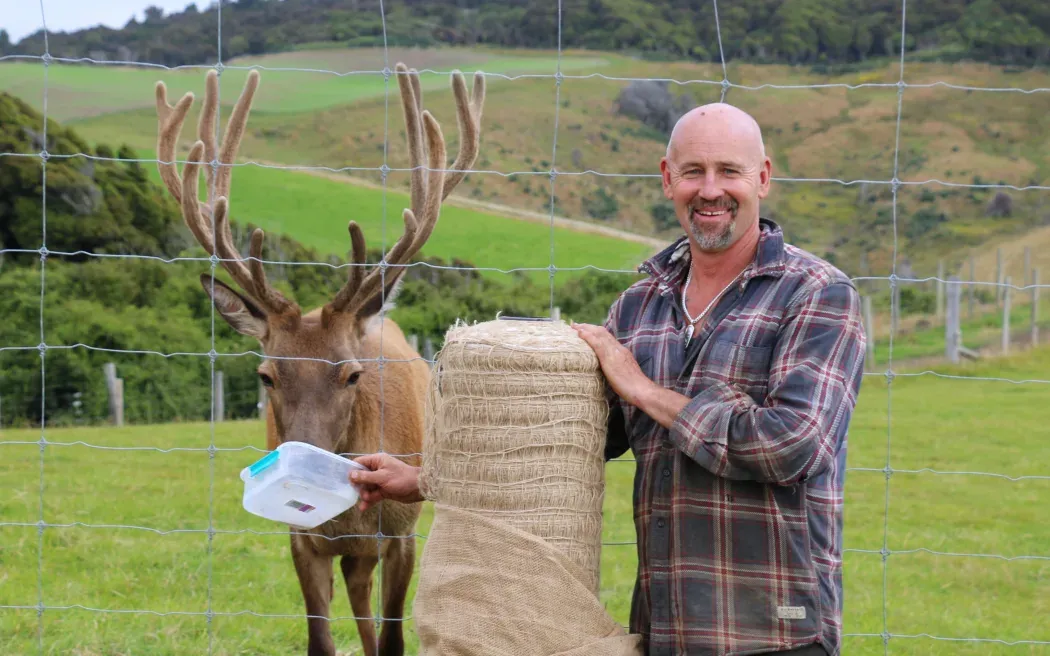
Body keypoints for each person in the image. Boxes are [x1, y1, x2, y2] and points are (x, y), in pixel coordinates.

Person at [350, 102, 867, 656]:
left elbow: (790, 444)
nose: (710, 189)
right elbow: (574, 441)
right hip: (667, 627)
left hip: (776, 628)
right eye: (693, 171)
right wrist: (428, 476)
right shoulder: (639, 306)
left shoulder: (817, 295)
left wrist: (643, 390)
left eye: (729, 171)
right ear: (668, 179)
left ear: (762, 177)